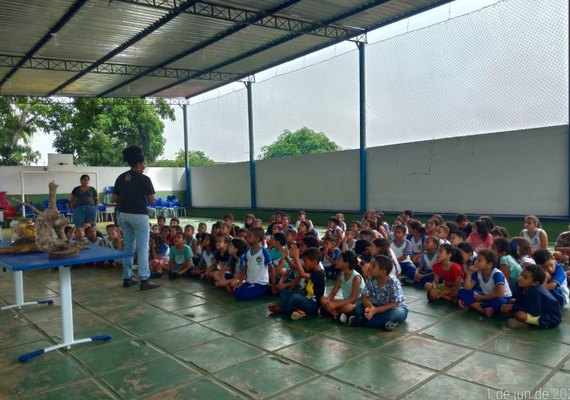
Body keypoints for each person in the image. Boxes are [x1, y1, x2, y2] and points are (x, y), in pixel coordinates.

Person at [112, 145, 159, 290]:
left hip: (123, 215)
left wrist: (127, 199)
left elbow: (114, 198)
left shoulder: (121, 177)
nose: (144, 166)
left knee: (128, 246)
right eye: (144, 163)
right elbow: (152, 201)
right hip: (139, 215)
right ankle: (144, 279)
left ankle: (127, 277)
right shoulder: (145, 179)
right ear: (139, 163)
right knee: (142, 247)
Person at [348, 255, 408, 330]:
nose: (370, 266)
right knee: (359, 309)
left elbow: (395, 303)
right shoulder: (371, 279)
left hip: (396, 308)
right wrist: (371, 308)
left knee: (394, 314)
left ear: (382, 272)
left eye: (374, 265)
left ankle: (363, 321)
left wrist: (376, 310)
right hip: (378, 307)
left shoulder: (393, 282)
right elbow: (364, 298)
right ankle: (385, 323)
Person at [268, 247, 326, 320]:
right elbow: (293, 267)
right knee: (284, 293)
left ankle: (283, 310)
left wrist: (296, 257)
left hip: (313, 305)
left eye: (305, 262)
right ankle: (298, 311)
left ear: (314, 262)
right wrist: (286, 258)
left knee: (295, 297)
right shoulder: (309, 268)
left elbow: (303, 274)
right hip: (304, 297)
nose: (304, 264)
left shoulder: (320, 274)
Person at [502, 264, 562, 329]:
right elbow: (520, 300)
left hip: (550, 317)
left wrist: (513, 307)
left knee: (520, 315)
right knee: (511, 303)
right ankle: (526, 321)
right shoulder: (521, 286)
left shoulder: (535, 291)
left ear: (535, 283)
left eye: (525, 277)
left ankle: (529, 325)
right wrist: (512, 305)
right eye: (521, 275)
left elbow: (534, 312)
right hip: (537, 310)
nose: (520, 278)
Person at [458, 249, 512, 317]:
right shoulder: (478, 272)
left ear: (489, 264)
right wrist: (469, 273)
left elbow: (500, 293)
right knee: (462, 291)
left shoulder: (496, 274)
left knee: (499, 302)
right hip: (486, 295)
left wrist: (482, 297)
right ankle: (481, 308)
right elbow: (467, 288)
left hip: (503, 297)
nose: (475, 262)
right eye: (476, 259)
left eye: (479, 260)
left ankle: (473, 305)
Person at [320, 250, 364, 322]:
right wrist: (328, 301)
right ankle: (335, 314)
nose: (336, 261)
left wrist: (335, 305)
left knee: (346, 307)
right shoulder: (341, 275)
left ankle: (330, 311)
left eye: (339, 260)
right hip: (345, 301)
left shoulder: (356, 277)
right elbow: (334, 292)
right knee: (323, 299)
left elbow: (353, 299)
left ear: (346, 263)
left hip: (356, 304)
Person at [234, 227, 274, 300]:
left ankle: (266, 289)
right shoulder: (248, 251)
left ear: (257, 239)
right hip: (249, 281)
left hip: (261, 283)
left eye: (249, 236)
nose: (247, 238)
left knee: (245, 295)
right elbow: (246, 267)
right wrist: (240, 282)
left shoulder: (263, 251)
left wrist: (273, 285)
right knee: (237, 292)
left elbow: (271, 267)